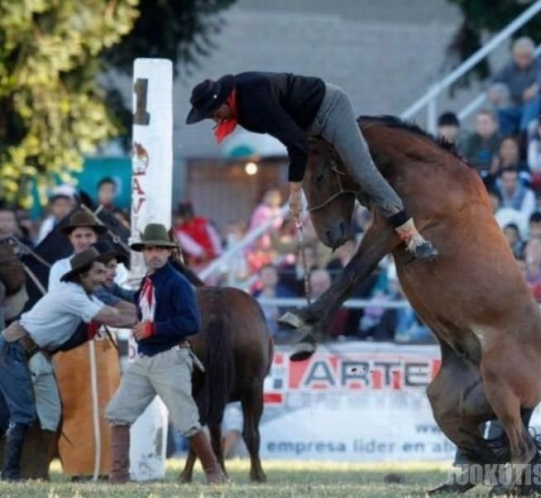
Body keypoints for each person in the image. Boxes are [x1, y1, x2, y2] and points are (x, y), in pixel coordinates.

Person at [185, 72, 438, 260]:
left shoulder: (252, 103)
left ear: (223, 100)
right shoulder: (242, 108)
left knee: (362, 171)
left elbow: (295, 143)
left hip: (330, 109)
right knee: (326, 177)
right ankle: (379, 219)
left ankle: (412, 235)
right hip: (306, 125)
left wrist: (294, 192)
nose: (213, 118)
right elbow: (294, 138)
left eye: (212, 111)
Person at [0, 247, 136, 480]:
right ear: (82, 274)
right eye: (99, 272)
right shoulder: (73, 295)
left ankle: (37, 471)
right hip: (13, 349)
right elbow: (109, 316)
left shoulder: (84, 294)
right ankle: (9, 473)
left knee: (52, 414)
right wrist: (151, 321)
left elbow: (117, 311)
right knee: (22, 414)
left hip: (36, 354)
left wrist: (146, 317)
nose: (104, 277)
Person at [104, 223, 225, 484]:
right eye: (150, 248)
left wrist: (154, 328)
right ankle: (118, 476)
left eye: (160, 248)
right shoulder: (152, 281)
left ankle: (214, 473)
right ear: (144, 253)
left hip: (170, 358)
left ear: (170, 252)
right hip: (147, 359)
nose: (154, 253)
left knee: (187, 422)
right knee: (117, 412)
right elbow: (138, 300)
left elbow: (192, 324)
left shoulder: (177, 283)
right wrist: (112, 289)